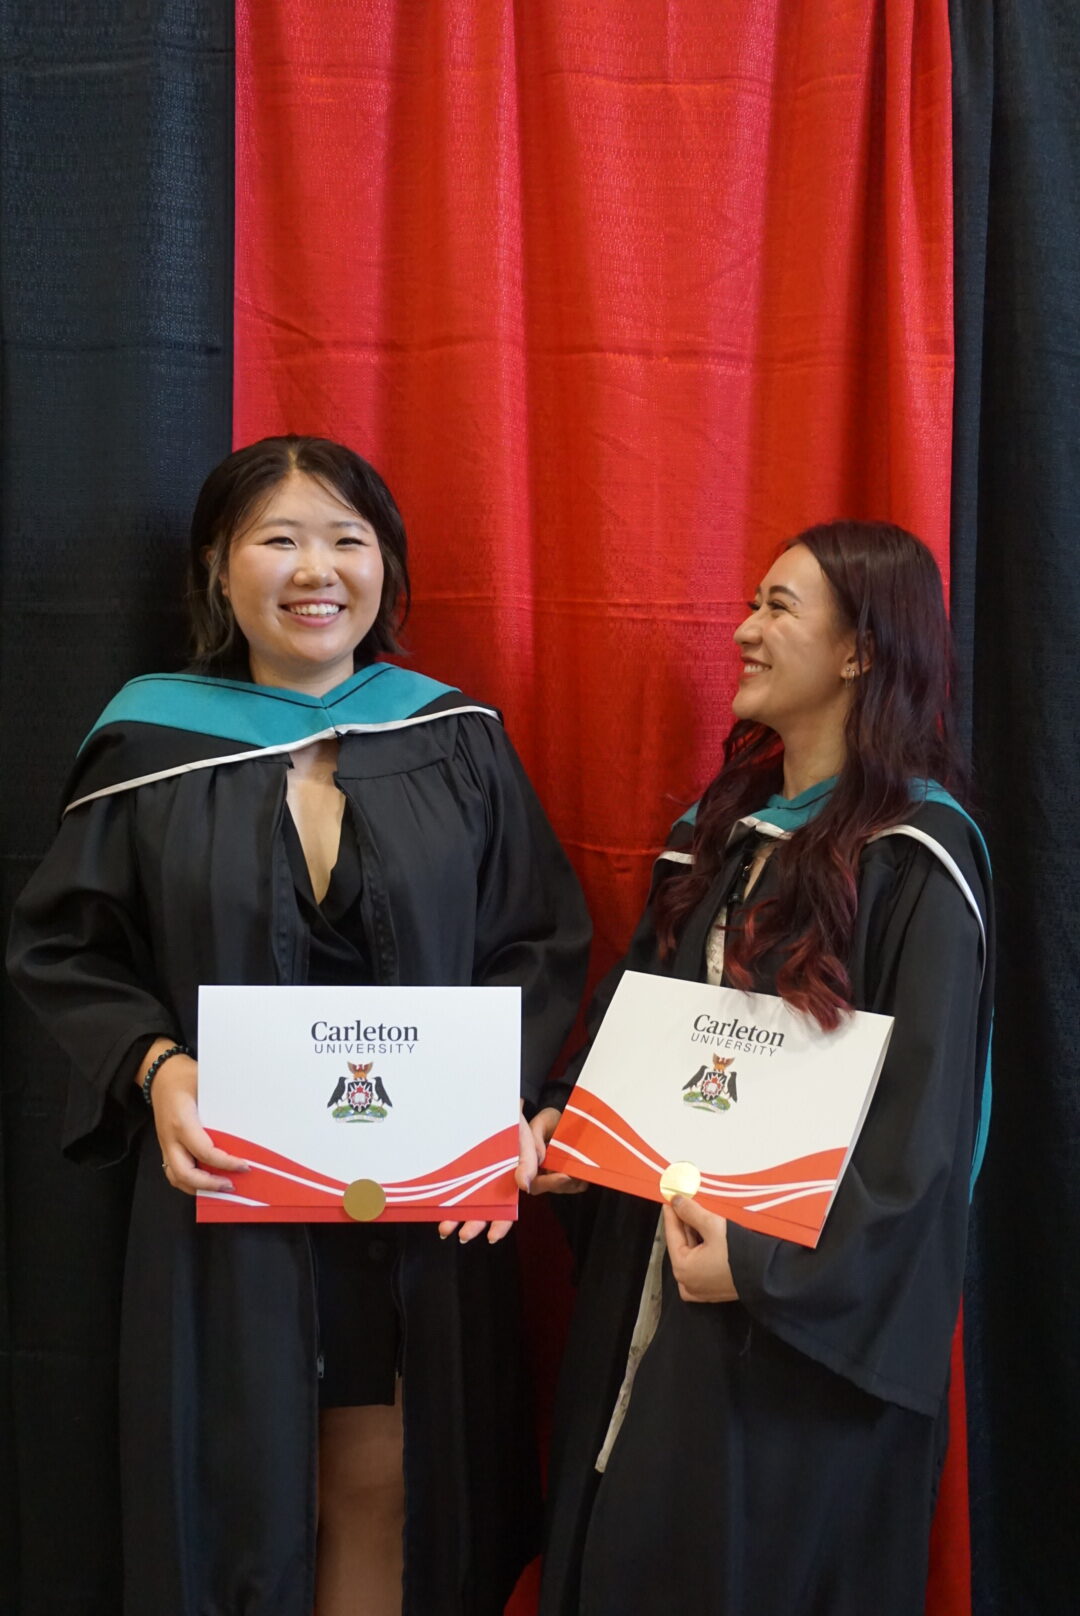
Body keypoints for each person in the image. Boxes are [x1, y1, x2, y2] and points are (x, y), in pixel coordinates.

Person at [8, 435, 591, 1616]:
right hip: (232, 1183)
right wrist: (155, 1066)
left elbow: (535, 937)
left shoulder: (454, 738)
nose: (316, 568)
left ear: (386, 566)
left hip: (418, 1196)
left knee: (389, 1479)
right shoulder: (149, 746)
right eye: (279, 538)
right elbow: (66, 944)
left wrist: (501, 1098)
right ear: (218, 568)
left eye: (346, 539)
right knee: (244, 1485)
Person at [536, 521, 994, 1616]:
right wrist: (566, 1118)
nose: (744, 630)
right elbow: (632, 1015)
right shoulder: (723, 831)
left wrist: (761, 1267)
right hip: (653, 1269)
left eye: (778, 607)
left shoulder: (918, 863)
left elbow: (927, 1135)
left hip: (787, 1333)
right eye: (753, 602)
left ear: (861, 650)